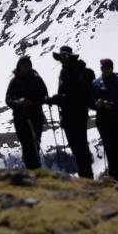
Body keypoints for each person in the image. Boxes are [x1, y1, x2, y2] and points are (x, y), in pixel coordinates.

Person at [46, 45, 95, 178]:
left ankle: (87, 176)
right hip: (69, 115)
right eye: (61, 57)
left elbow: (76, 96)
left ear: (70, 57)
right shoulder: (65, 72)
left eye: (65, 56)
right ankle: (85, 176)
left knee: (80, 147)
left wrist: (58, 99)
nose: (63, 59)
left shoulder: (76, 72)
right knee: (76, 147)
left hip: (77, 115)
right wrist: (58, 99)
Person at [91, 58, 118, 181]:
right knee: (110, 150)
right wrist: (96, 104)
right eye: (102, 67)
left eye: (107, 67)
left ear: (111, 68)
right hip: (105, 122)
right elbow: (90, 100)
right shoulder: (96, 83)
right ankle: (114, 179)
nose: (104, 70)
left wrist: (113, 105)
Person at [5, 55, 48, 170]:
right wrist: (19, 103)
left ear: (30, 66)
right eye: (22, 65)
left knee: (35, 144)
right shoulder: (14, 81)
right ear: (18, 66)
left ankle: (35, 170)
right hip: (20, 118)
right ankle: (32, 169)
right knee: (26, 144)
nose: (24, 67)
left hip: (36, 116)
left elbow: (44, 95)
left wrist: (31, 102)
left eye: (26, 65)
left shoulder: (36, 79)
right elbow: (8, 99)